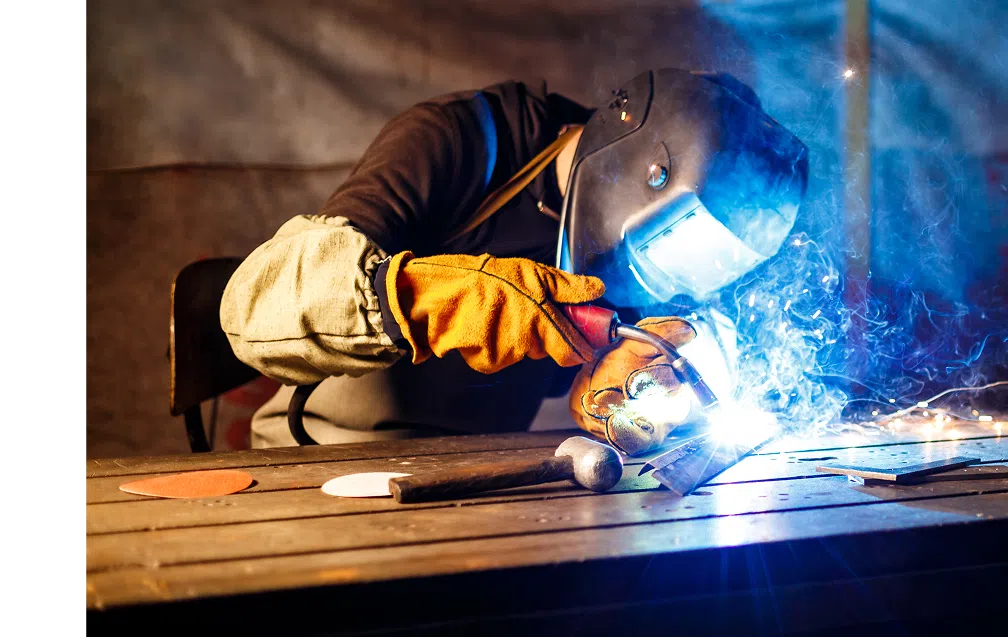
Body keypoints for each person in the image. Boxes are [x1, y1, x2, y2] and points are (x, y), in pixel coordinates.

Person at [219, 68, 808, 455]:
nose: (667, 282)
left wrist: (649, 388)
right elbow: (257, 307)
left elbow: (691, 352)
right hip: (321, 454)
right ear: (646, 173)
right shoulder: (464, 140)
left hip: (471, 463)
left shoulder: (659, 239)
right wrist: (437, 302)